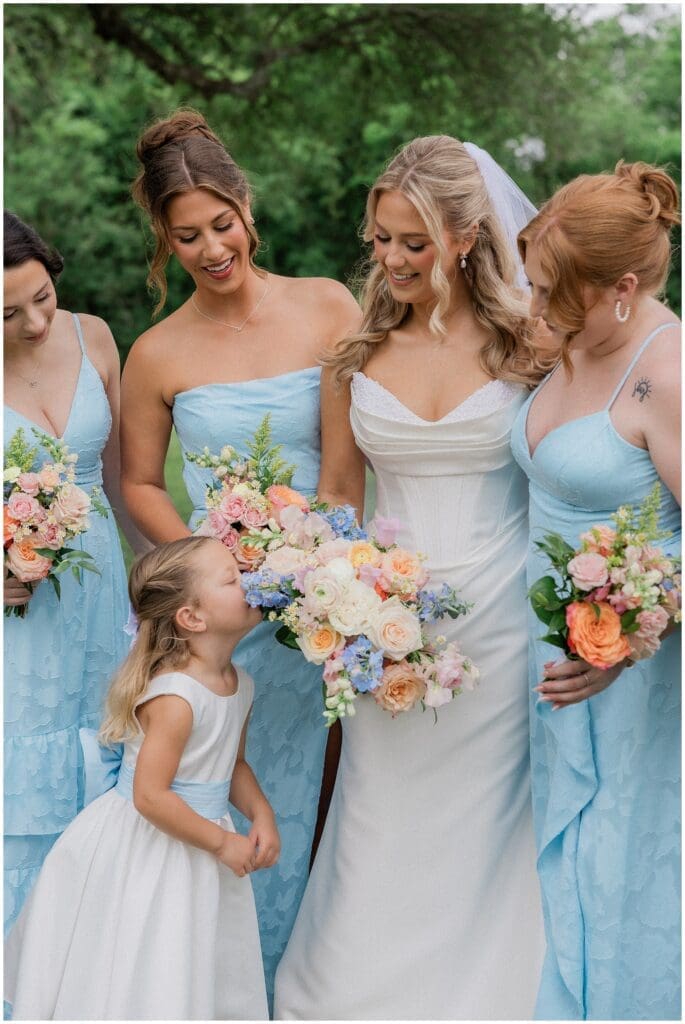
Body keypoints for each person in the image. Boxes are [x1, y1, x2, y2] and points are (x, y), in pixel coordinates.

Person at [274, 135, 554, 1019]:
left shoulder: (532, 343)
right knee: (378, 815)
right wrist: (334, 595)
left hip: (504, 626)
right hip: (378, 631)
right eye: (381, 239)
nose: (390, 259)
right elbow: (337, 496)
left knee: (484, 831)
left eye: (412, 242)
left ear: (468, 237)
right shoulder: (354, 355)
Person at [120, 109, 360, 1002]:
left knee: (307, 798)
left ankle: (295, 987)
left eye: (222, 223)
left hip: (320, 598)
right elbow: (141, 482)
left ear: (246, 206)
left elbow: (343, 471)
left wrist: (314, 572)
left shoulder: (329, 304)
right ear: (164, 238)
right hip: (220, 613)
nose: (212, 247)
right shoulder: (156, 353)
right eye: (188, 235)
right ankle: (212, 992)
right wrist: (209, 555)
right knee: (211, 790)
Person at [509, 161, 681, 1020]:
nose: (535, 312)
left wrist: (626, 638)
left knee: (623, 864)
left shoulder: (670, 373)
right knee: (568, 858)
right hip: (552, 657)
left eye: (551, 294)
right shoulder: (572, 334)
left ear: (620, 288)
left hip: (636, 675)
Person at [5, 536, 277, 1020]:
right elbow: (150, 797)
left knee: (189, 948)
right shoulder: (175, 698)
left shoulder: (240, 683)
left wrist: (261, 814)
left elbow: (232, 764)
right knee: (147, 946)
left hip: (200, 836)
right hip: (153, 844)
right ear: (192, 617)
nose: (249, 582)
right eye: (232, 578)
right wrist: (219, 843)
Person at [3, 212, 141, 933]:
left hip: (102, 604)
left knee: (111, 780)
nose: (34, 323)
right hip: (16, 622)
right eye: (7, 313)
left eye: (43, 297)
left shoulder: (94, 337)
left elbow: (121, 488)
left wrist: (160, 590)